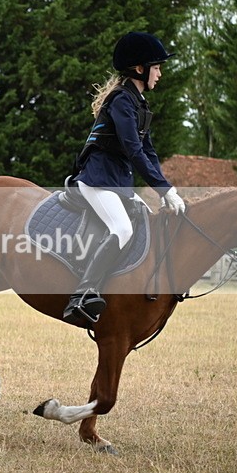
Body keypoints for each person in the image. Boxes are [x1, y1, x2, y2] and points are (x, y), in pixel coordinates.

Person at [63, 31, 186, 325]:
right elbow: (132, 149)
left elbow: (149, 152)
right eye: (156, 67)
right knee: (122, 229)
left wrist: (167, 190)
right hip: (97, 179)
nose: (160, 73)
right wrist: (161, 189)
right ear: (140, 69)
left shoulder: (139, 104)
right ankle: (82, 294)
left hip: (117, 184)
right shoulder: (121, 101)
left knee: (142, 219)